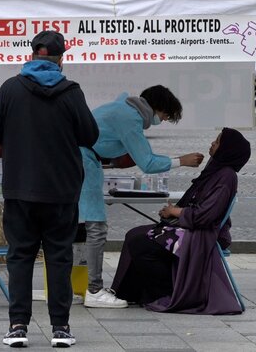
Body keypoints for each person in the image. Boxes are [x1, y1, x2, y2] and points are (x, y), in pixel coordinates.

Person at [0, 30, 99, 348]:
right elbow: (90, 135)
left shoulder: (11, 88)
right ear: (61, 58)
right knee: (59, 257)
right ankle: (60, 329)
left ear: (33, 54)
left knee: (20, 256)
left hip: (20, 188)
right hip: (61, 191)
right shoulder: (71, 92)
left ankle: (17, 326)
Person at [79, 87, 204, 309]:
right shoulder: (131, 119)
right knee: (95, 227)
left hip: (79, 159)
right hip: (82, 162)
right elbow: (147, 162)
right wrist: (181, 161)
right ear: (158, 108)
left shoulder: (122, 106)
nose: (163, 121)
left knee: (73, 226)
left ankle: (70, 285)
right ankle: (94, 290)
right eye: (165, 116)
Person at [111, 128, 251, 315]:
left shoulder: (225, 176)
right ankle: (130, 293)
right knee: (134, 234)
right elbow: (194, 203)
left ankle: (164, 292)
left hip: (203, 235)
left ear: (227, 150)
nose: (212, 143)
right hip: (191, 228)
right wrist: (171, 213)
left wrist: (175, 211)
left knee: (141, 243)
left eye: (217, 142)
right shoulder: (215, 171)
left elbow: (206, 215)